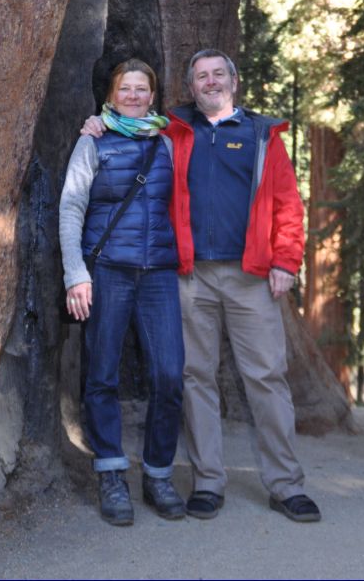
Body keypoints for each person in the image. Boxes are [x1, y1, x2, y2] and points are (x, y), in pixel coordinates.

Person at [82, 48, 321, 523]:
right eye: (200, 77)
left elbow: (287, 203)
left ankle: (286, 485)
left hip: (252, 275)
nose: (210, 82)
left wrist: (286, 261)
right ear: (190, 87)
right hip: (188, 276)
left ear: (234, 80)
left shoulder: (261, 134)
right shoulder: (174, 130)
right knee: (195, 379)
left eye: (218, 74)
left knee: (266, 378)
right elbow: (127, 123)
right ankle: (208, 481)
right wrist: (97, 125)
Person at [59, 58, 186, 526]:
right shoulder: (92, 141)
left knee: (170, 375)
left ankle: (157, 473)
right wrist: (76, 273)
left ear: (152, 96)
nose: (133, 96)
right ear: (111, 96)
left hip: (158, 273)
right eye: (124, 89)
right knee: (102, 376)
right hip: (107, 270)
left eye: (141, 89)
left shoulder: (170, 143)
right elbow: (71, 206)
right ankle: (111, 473)